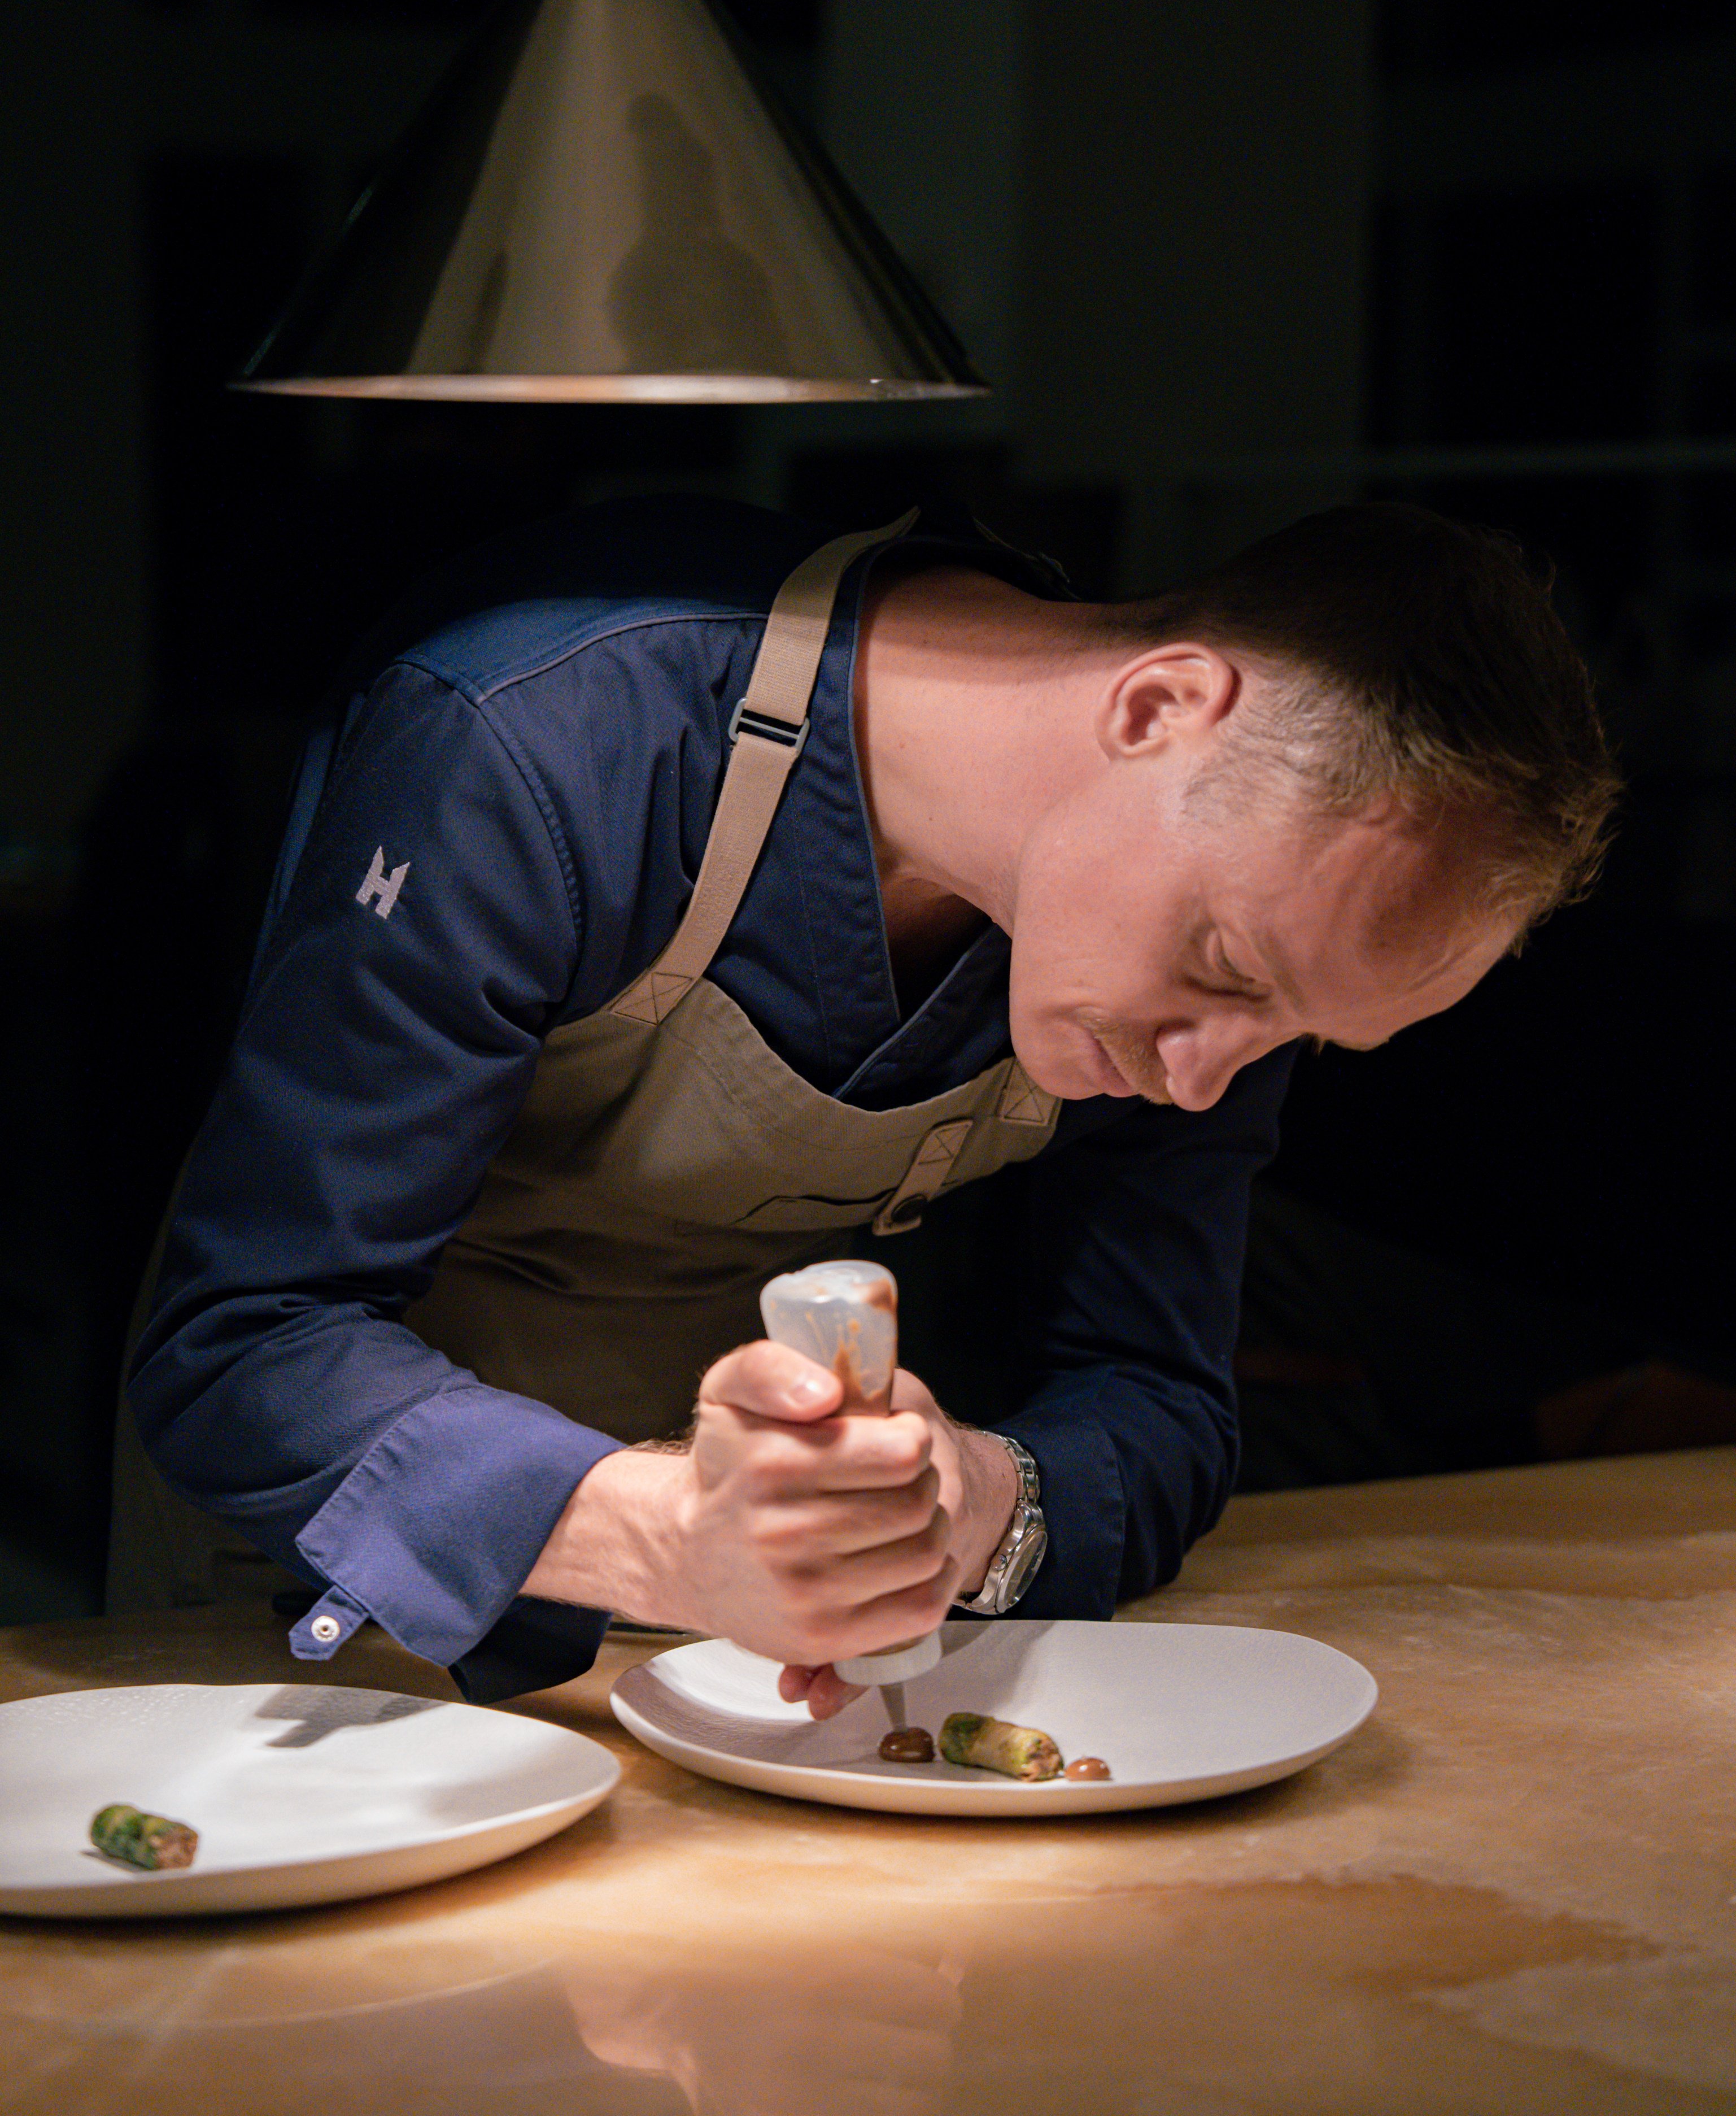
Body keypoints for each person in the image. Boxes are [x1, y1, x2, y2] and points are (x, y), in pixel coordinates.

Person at [114, 494, 1617, 1711]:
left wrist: (978, 1502)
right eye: (1222, 967)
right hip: (342, 1589)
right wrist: (665, 1536)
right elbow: (247, 1341)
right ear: (1162, 706)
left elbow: (1158, 1401)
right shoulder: (543, 736)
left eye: (1295, 1035)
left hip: (772, 1671)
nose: (1202, 1074)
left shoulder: (1230, 960)